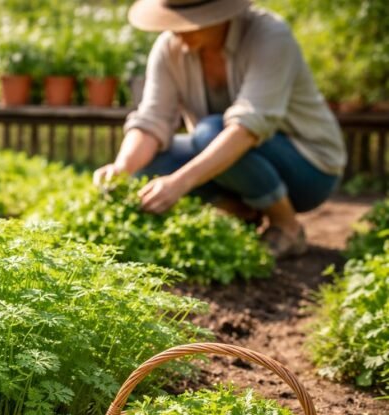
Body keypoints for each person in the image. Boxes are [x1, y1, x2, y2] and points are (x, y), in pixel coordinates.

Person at [93, 0, 346, 258]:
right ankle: (243, 211)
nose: (177, 30)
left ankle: (286, 225)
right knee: (147, 167)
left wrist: (179, 183)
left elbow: (247, 128)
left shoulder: (270, 35)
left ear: (219, 15)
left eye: (188, 21)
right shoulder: (169, 47)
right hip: (230, 157)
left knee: (207, 133)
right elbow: (152, 120)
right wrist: (121, 168)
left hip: (308, 169)